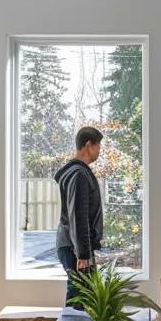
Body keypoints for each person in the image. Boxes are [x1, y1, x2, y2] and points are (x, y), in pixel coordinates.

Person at [55, 127, 105, 304]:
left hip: (72, 244)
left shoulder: (75, 172)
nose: (99, 151)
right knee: (81, 302)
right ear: (88, 145)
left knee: (82, 299)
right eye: (98, 146)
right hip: (74, 247)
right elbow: (78, 214)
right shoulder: (79, 174)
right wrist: (83, 253)